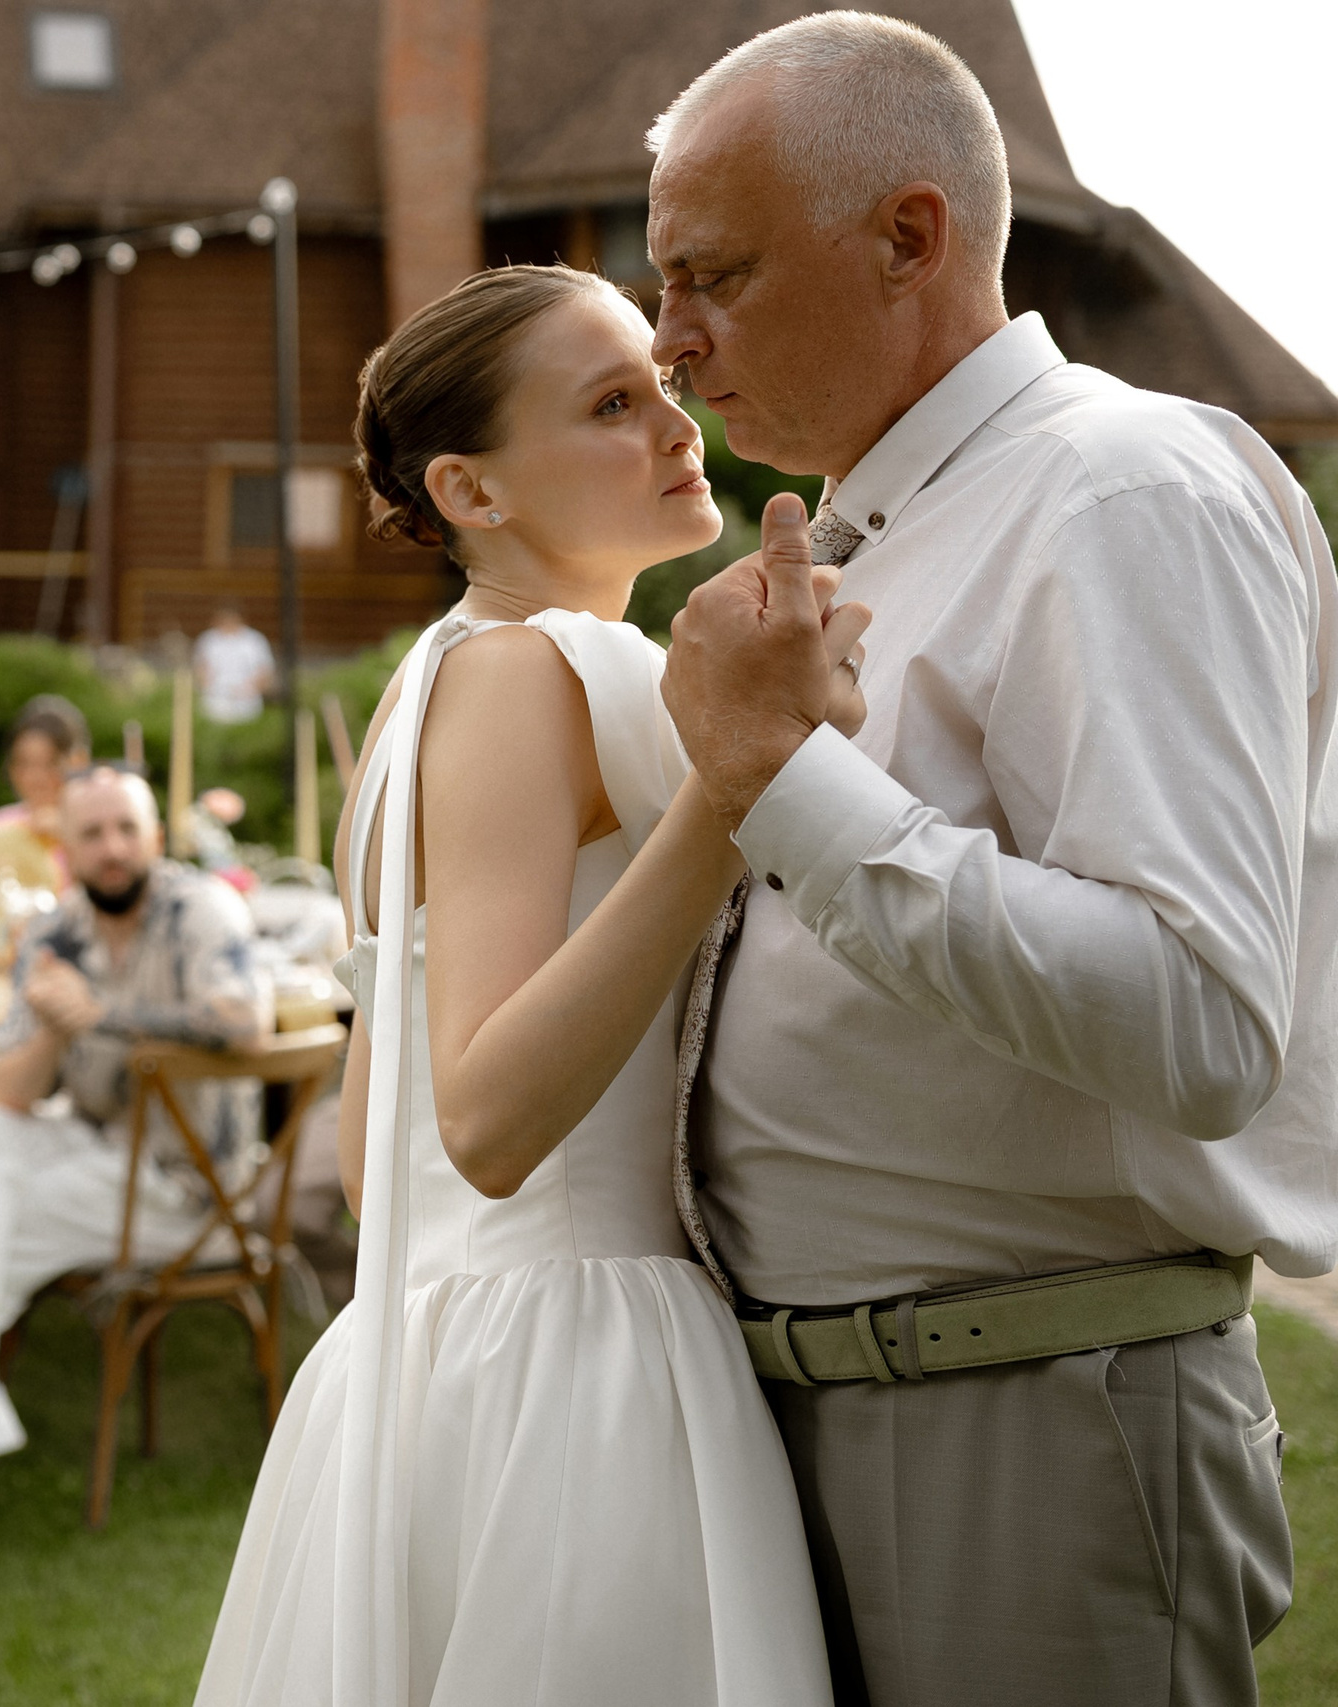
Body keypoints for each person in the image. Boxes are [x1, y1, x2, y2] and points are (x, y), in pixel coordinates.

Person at [647, 16, 1335, 1705]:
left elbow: (1198, 1022)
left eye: (712, 277)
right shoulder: (894, 521)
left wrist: (784, 783)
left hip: (1026, 1425)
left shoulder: (1120, 489)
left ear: (908, 237)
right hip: (837, 1411)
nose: (670, 343)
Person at [196, 266, 862, 1705]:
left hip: (440, 1351)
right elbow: (489, 1123)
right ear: (472, 488)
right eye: (613, 403)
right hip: (575, 1365)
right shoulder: (521, 677)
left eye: (664, 388)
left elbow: (387, 1160)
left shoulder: (440, 675)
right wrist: (731, 790)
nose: (677, 425)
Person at [0, 765, 273, 1541]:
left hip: (191, 1187)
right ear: (63, 847)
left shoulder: (202, 907)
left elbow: (246, 1021)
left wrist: (104, 1012)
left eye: (125, 829)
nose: (111, 848)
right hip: (96, 1150)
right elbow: (8, 1091)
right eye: (92, 833)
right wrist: (53, 1026)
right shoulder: (54, 931)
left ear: (156, 837)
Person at [0, 694, 93, 881]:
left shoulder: (95, 825)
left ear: (79, 762)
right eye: (24, 764)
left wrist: (69, 835)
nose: (35, 777)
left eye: (50, 764)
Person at [192, 606, 277, 724]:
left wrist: (252, 689)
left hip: (247, 701)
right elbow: (200, 668)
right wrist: (207, 686)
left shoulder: (254, 640)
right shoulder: (209, 639)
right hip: (215, 700)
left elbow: (265, 670)